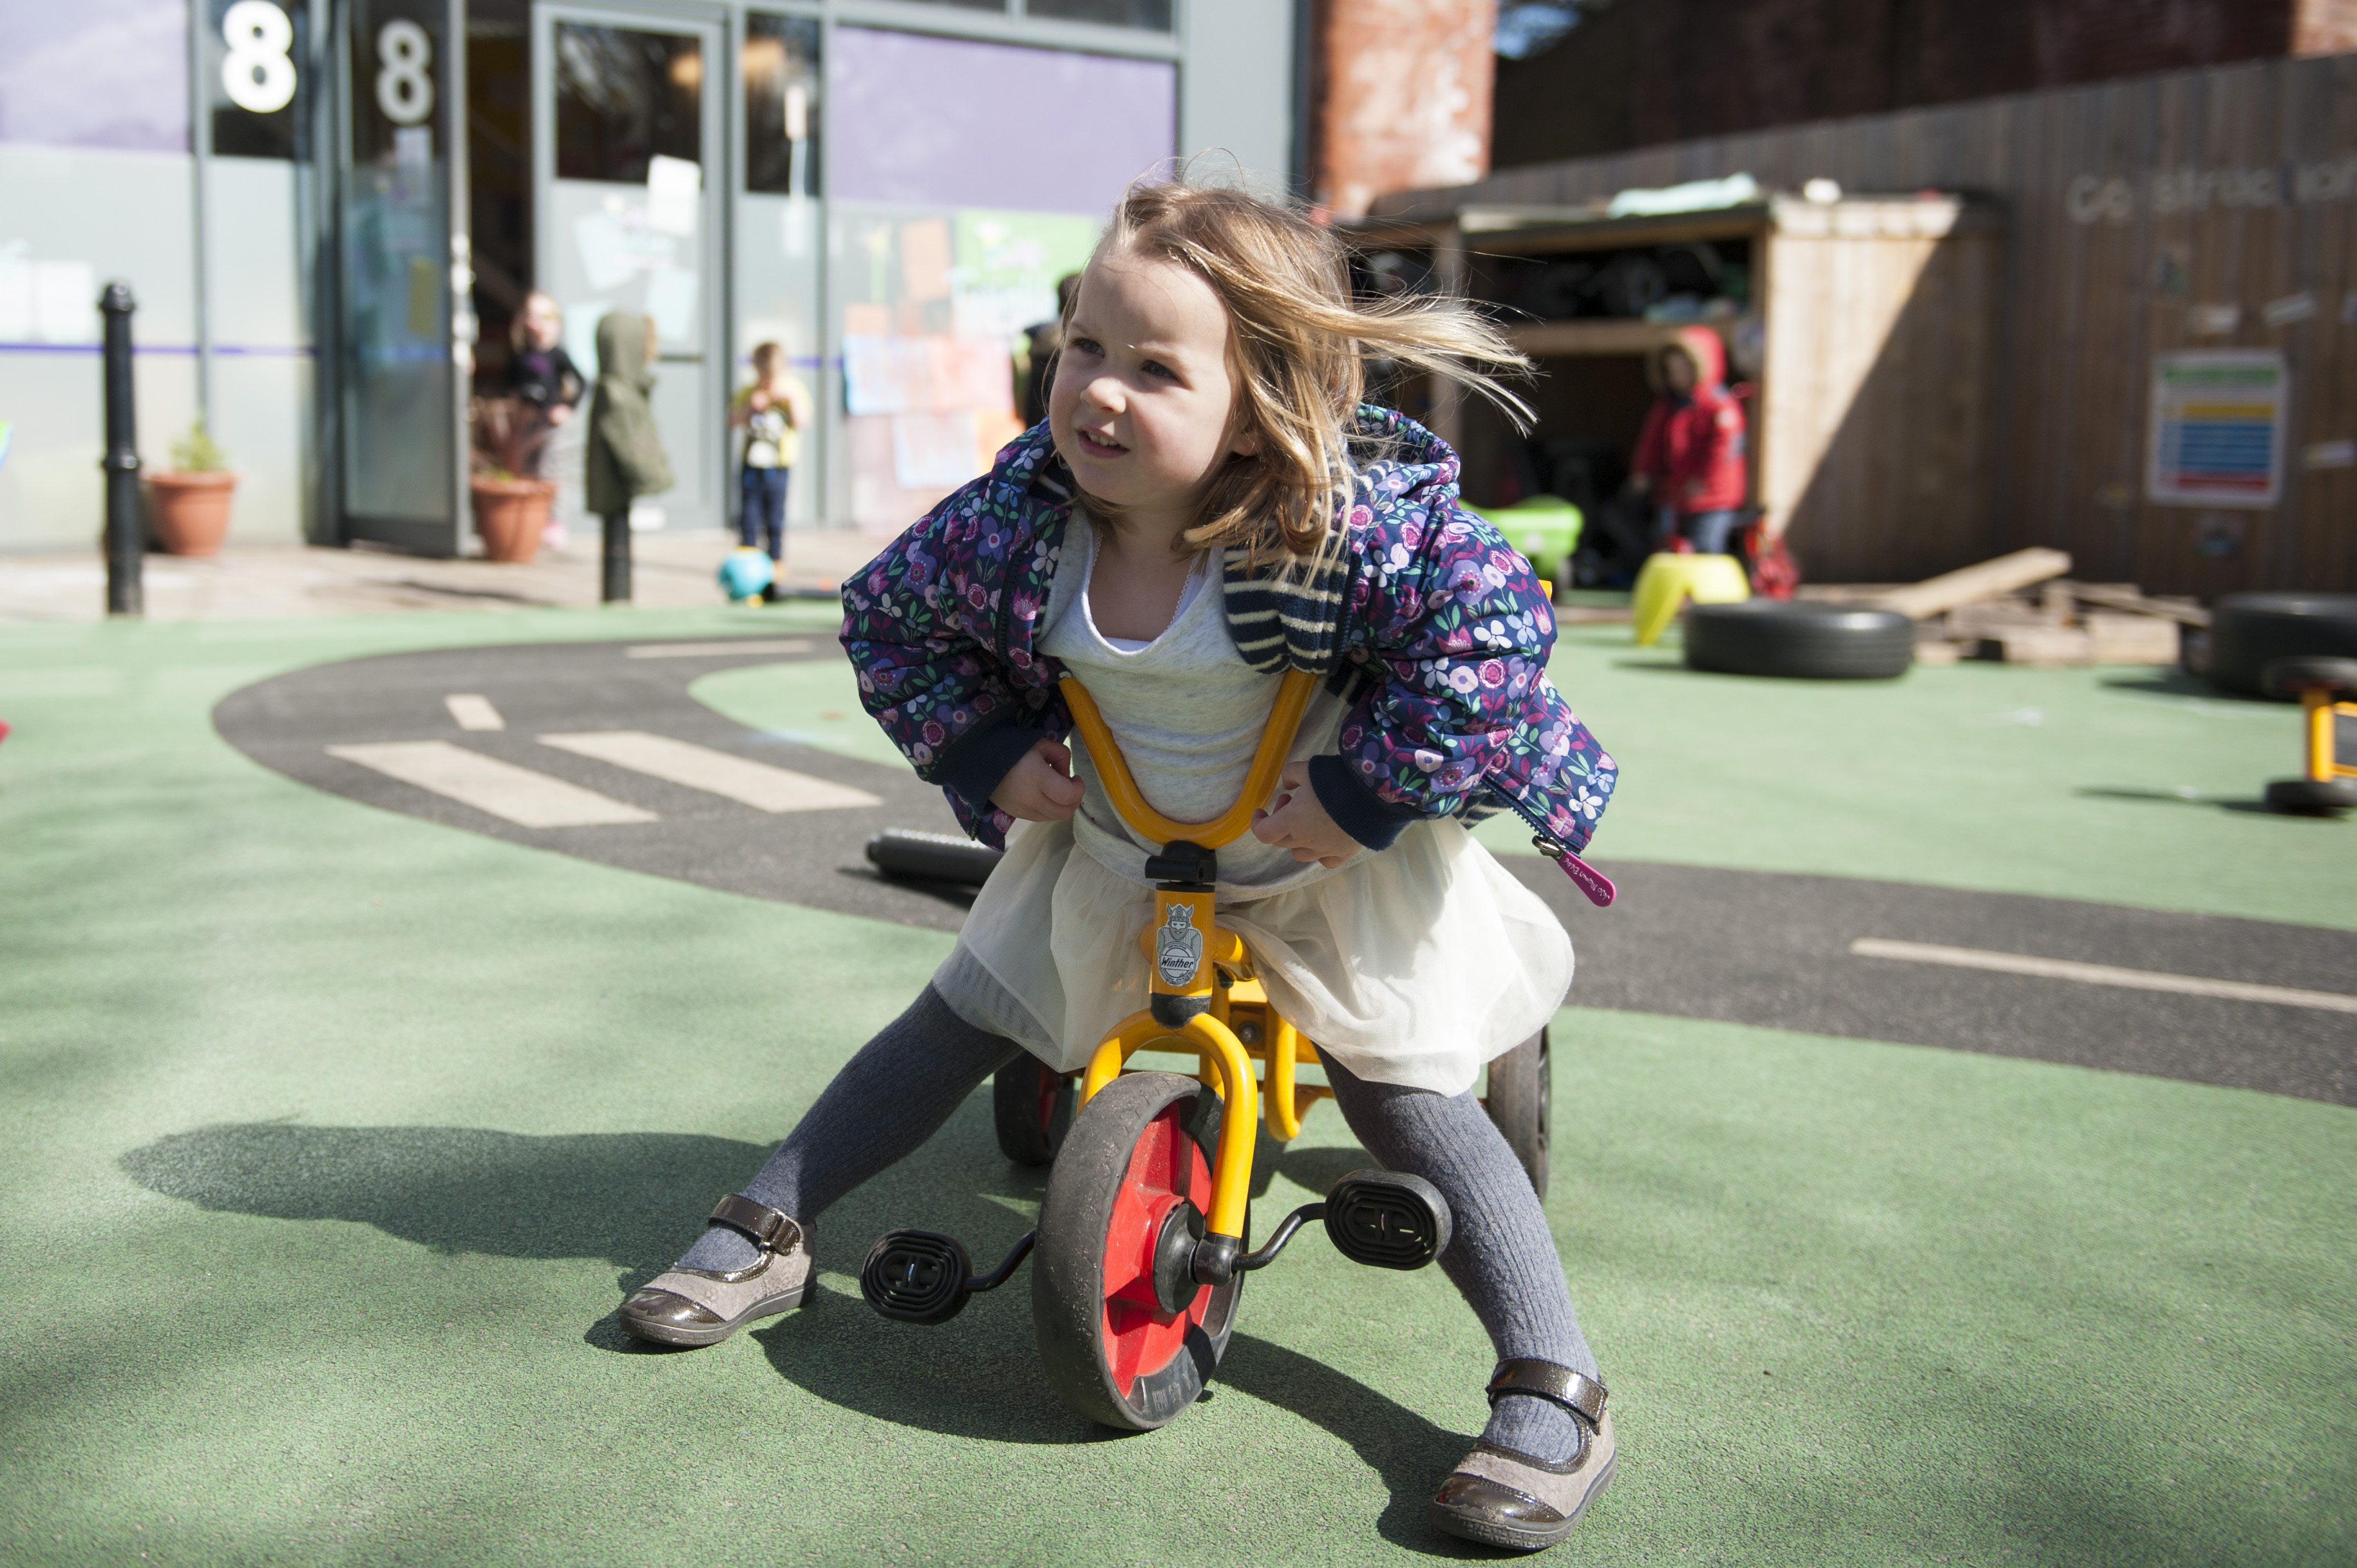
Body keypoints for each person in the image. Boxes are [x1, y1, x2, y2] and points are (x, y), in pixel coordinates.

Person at [617, 181, 1622, 1554]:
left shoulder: (1337, 532)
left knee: (1404, 1096)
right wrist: (985, 748)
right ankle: (771, 1219)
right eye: (1085, 346)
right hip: (1119, 852)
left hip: (1323, 867)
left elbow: (1497, 640)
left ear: (1263, 398)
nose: (1097, 391)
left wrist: (1362, 787)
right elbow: (888, 619)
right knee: (957, 1014)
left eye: (1156, 368)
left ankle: (1551, 1375)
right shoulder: (1025, 524)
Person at [1629, 325, 1747, 555]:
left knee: (1705, 545)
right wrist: (1643, 472)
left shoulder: (1718, 404)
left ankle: (1708, 590)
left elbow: (1723, 449)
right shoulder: (1669, 405)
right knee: (1670, 545)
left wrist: (1705, 482)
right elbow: (1651, 444)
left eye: (1684, 370)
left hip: (1713, 496)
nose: (1677, 377)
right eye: (1672, 371)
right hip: (1676, 493)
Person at [584, 310, 672, 603]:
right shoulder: (618, 392)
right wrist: (655, 476)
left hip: (615, 491)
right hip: (616, 490)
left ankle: (618, 595)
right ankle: (617, 597)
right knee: (616, 544)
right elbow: (633, 450)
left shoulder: (618, 388)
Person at [728, 341, 813, 574]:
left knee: (775, 520)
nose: (768, 383)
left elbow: (803, 421)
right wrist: (750, 408)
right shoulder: (749, 391)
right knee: (748, 518)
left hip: (779, 467)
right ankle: (746, 567)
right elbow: (732, 419)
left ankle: (776, 568)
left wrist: (789, 401)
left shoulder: (793, 390)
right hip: (752, 466)